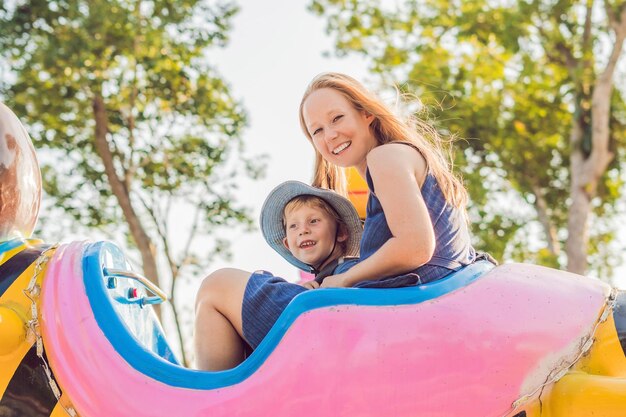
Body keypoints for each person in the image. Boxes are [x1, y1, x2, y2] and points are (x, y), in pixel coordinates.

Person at [298, 72, 478, 289]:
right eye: (317, 130)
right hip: (428, 289)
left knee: (256, 289)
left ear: (366, 113)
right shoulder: (388, 167)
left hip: (425, 292)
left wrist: (345, 278)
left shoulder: (384, 157)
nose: (330, 135)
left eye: (337, 118)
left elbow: (416, 246)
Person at [194, 180, 363, 371]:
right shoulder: (318, 281)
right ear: (287, 244)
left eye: (313, 221)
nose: (303, 230)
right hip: (316, 336)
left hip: (329, 335)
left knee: (218, 284)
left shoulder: (348, 268)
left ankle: (216, 391)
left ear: (341, 232)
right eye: (293, 226)